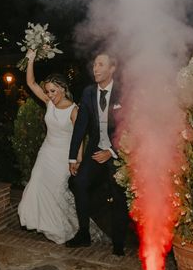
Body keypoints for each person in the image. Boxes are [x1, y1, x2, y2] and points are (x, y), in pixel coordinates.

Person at [17, 49, 82, 244]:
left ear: (63, 88)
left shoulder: (74, 110)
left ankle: (64, 229)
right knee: (36, 185)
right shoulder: (49, 103)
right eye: (48, 92)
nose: (50, 95)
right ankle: (46, 225)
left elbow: (79, 138)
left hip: (64, 156)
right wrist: (30, 59)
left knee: (55, 191)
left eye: (53, 91)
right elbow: (31, 83)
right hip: (46, 152)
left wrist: (76, 160)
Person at [67, 53, 129, 256]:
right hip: (95, 151)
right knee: (79, 183)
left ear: (112, 69)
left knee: (118, 195)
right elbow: (81, 126)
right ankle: (84, 233)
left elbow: (130, 127)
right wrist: (73, 157)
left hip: (118, 152)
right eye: (94, 64)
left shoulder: (123, 92)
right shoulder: (88, 92)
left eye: (101, 64)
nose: (95, 68)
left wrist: (111, 152)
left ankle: (119, 242)